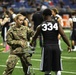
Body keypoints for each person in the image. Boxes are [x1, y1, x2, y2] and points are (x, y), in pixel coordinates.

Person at [30, 8, 71, 75]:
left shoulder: (41, 25)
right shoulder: (56, 24)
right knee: (57, 68)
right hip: (56, 46)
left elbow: (35, 36)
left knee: (47, 68)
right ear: (51, 15)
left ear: (43, 15)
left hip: (46, 47)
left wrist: (31, 43)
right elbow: (63, 35)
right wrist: (69, 45)